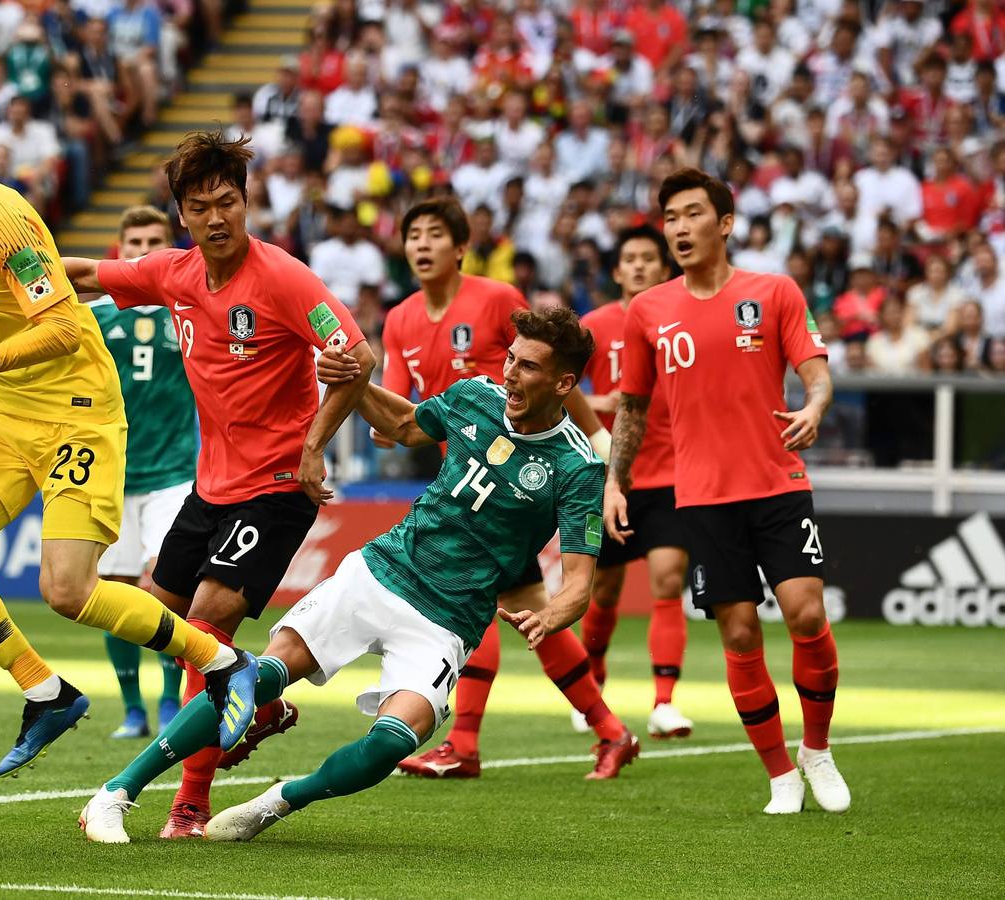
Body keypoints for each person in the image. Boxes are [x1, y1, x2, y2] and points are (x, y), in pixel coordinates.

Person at [0, 88, 258, 779]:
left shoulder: (2, 220)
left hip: (79, 408)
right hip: (10, 410)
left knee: (69, 591)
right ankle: (46, 692)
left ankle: (223, 662)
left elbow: (62, 327)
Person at [79, 306, 606, 844]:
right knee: (250, 678)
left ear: (563, 383)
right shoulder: (476, 396)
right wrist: (353, 378)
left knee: (392, 742)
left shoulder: (578, 468)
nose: (510, 374)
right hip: (379, 573)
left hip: (449, 621)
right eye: (511, 359)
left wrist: (549, 617)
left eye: (528, 367)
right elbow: (404, 425)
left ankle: (279, 800)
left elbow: (578, 586)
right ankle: (117, 791)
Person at [64, 131, 375, 838]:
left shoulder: (284, 278)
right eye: (200, 207)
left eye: (227, 202)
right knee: (161, 623)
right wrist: (7, 269)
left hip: (277, 487)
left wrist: (314, 447)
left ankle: (189, 804)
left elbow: (357, 355)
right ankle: (260, 702)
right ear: (181, 215)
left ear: (247, 202)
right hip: (210, 488)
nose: (215, 218)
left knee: (205, 630)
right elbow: (85, 274)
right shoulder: (174, 273)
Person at [317, 197, 637, 780]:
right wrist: (374, 408)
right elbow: (402, 418)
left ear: (461, 247)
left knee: (472, 608)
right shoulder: (401, 318)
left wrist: (607, 464)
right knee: (528, 614)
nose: (421, 244)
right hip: (462, 488)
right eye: (412, 234)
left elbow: (555, 373)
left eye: (434, 234)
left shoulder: (495, 299)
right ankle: (611, 732)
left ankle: (463, 744)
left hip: (516, 492)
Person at [606, 168, 848, 815]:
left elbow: (816, 373)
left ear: (726, 223)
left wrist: (815, 406)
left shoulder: (774, 292)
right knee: (739, 634)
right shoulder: (648, 310)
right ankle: (779, 775)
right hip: (703, 498)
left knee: (806, 613)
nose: (680, 228)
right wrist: (615, 480)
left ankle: (817, 750)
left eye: (692, 214)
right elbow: (632, 407)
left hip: (777, 483)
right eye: (671, 218)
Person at [576, 224, 693, 738]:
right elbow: (557, 385)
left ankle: (664, 702)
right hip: (608, 475)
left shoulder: (684, 319)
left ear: (665, 268)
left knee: (668, 579)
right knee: (603, 592)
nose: (640, 265)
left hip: (671, 473)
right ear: (618, 271)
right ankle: (592, 683)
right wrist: (596, 403)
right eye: (630, 258)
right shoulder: (595, 325)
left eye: (649, 258)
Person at [87, 206, 194, 740]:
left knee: (167, 587)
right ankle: (133, 709)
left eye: (155, 241)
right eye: (135, 243)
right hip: (112, 476)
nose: (144, 251)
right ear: (120, 250)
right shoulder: (95, 317)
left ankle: (171, 699)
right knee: (116, 592)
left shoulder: (190, 310)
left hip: (174, 474)